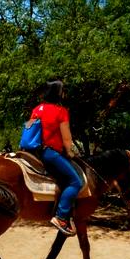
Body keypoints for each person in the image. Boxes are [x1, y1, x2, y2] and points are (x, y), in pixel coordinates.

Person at [29, 80, 82, 236]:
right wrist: (70, 151)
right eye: (63, 91)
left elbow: (29, 130)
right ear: (58, 93)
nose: (64, 94)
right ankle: (61, 216)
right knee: (75, 181)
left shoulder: (36, 109)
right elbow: (66, 138)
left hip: (34, 152)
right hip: (50, 153)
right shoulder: (61, 111)